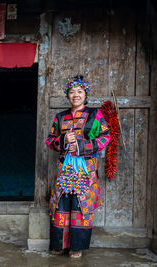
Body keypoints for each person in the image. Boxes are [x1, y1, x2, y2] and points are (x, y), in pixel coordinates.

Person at [45, 75, 111, 258]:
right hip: (64, 170)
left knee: (81, 206)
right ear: (68, 95)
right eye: (72, 92)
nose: (76, 95)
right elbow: (49, 140)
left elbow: (106, 137)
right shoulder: (60, 117)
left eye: (80, 91)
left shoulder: (94, 115)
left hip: (86, 170)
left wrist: (82, 146)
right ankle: (60, 244)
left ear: (85, 94)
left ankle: (76, 247)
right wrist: (63, 140)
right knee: (61, 205)